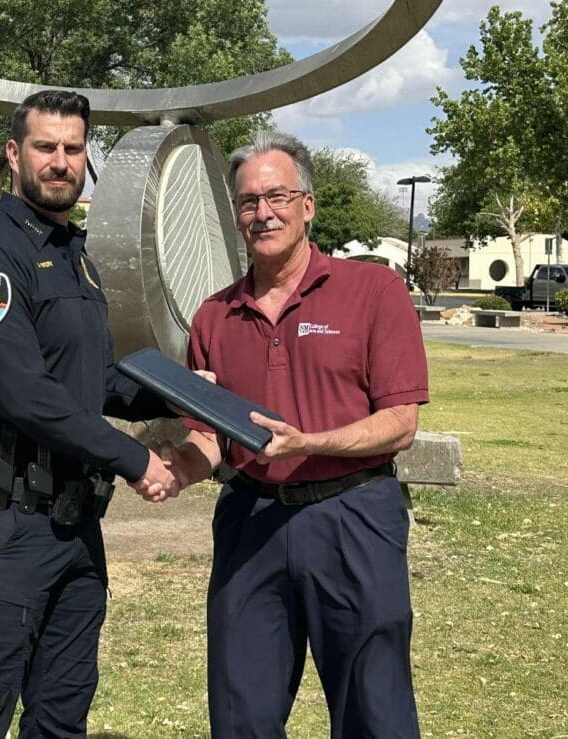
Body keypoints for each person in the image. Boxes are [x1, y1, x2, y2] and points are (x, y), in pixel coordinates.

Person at [160, 131, 429, 738]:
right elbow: (210, 437)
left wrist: (309, 442)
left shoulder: (374, 291)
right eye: (249, 203)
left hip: (353, 514)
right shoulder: (213, 316)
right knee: (241, 711)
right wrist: (176, 467)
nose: (264, 213)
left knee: (374, 709)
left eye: (277, 196)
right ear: (236, 218)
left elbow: (401, 424)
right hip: (250, 522)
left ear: (307, 205)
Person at [0, 90, 179, 738]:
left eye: (73, 148)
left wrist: (180, 391)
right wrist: (135, 458)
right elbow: (26, 395)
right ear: (16, 154)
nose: (61, 161)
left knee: (62, 716)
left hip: (75, 527)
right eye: (46, 146)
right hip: (3, 527)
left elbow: (92, 380)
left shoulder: (77, 257)